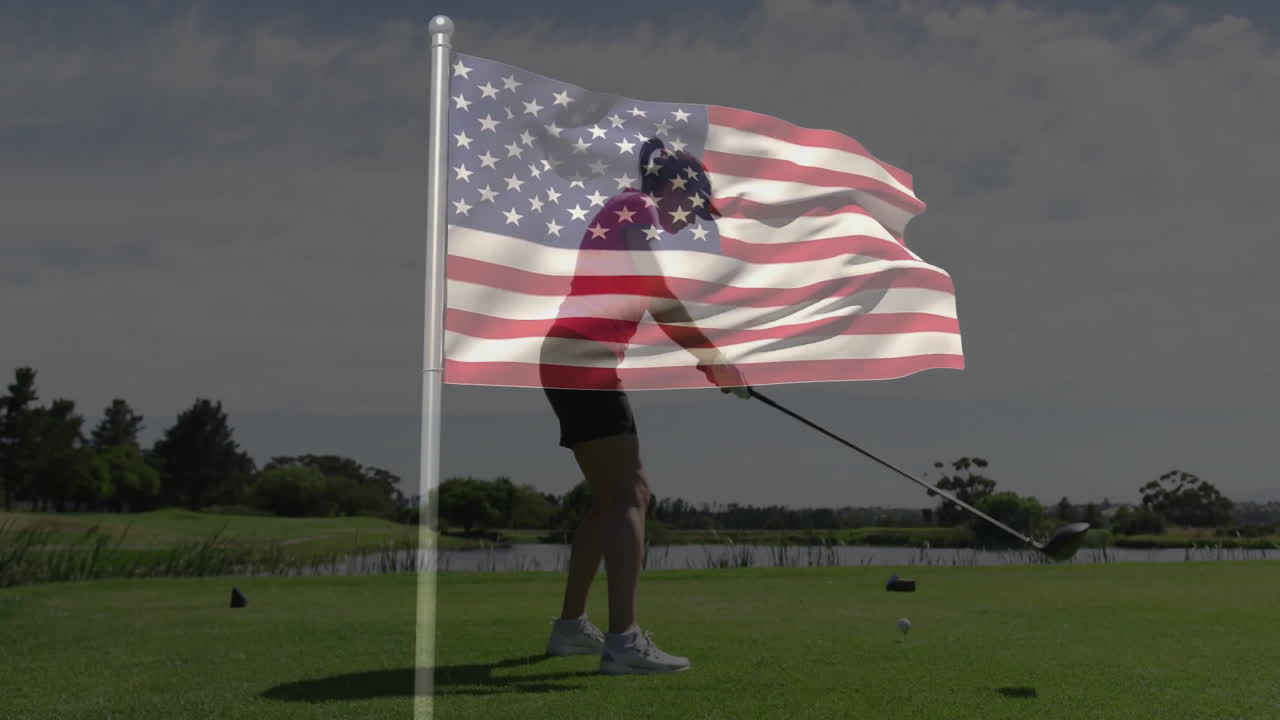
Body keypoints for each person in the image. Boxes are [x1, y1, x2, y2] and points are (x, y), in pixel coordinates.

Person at [540, 137, 750, 675]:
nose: (697, 220)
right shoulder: (632, 206)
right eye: (697, 207)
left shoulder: (626, 211)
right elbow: (657, 293)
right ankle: (624, 642)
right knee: (632, 492)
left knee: (611, 499)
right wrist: (713, 361)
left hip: (572, 358)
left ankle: (569, 629)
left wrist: (711, 360)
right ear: (675, 188)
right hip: (580, 359)